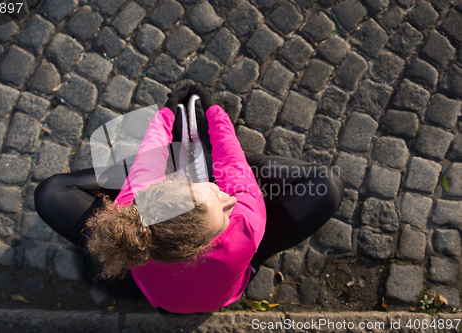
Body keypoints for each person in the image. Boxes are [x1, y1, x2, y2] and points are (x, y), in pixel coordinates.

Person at [34, 84, 344, 314]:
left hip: (160, 295)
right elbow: (233, 164)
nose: (229, 201)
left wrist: (167, 112)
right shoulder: (247, 223)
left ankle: (181, 158)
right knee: (326, 186)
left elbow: (148, 155)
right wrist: (213, 111)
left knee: (50, 194)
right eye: (218, 198)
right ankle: (202, 163)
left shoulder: (135, 211)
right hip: (228, 285)